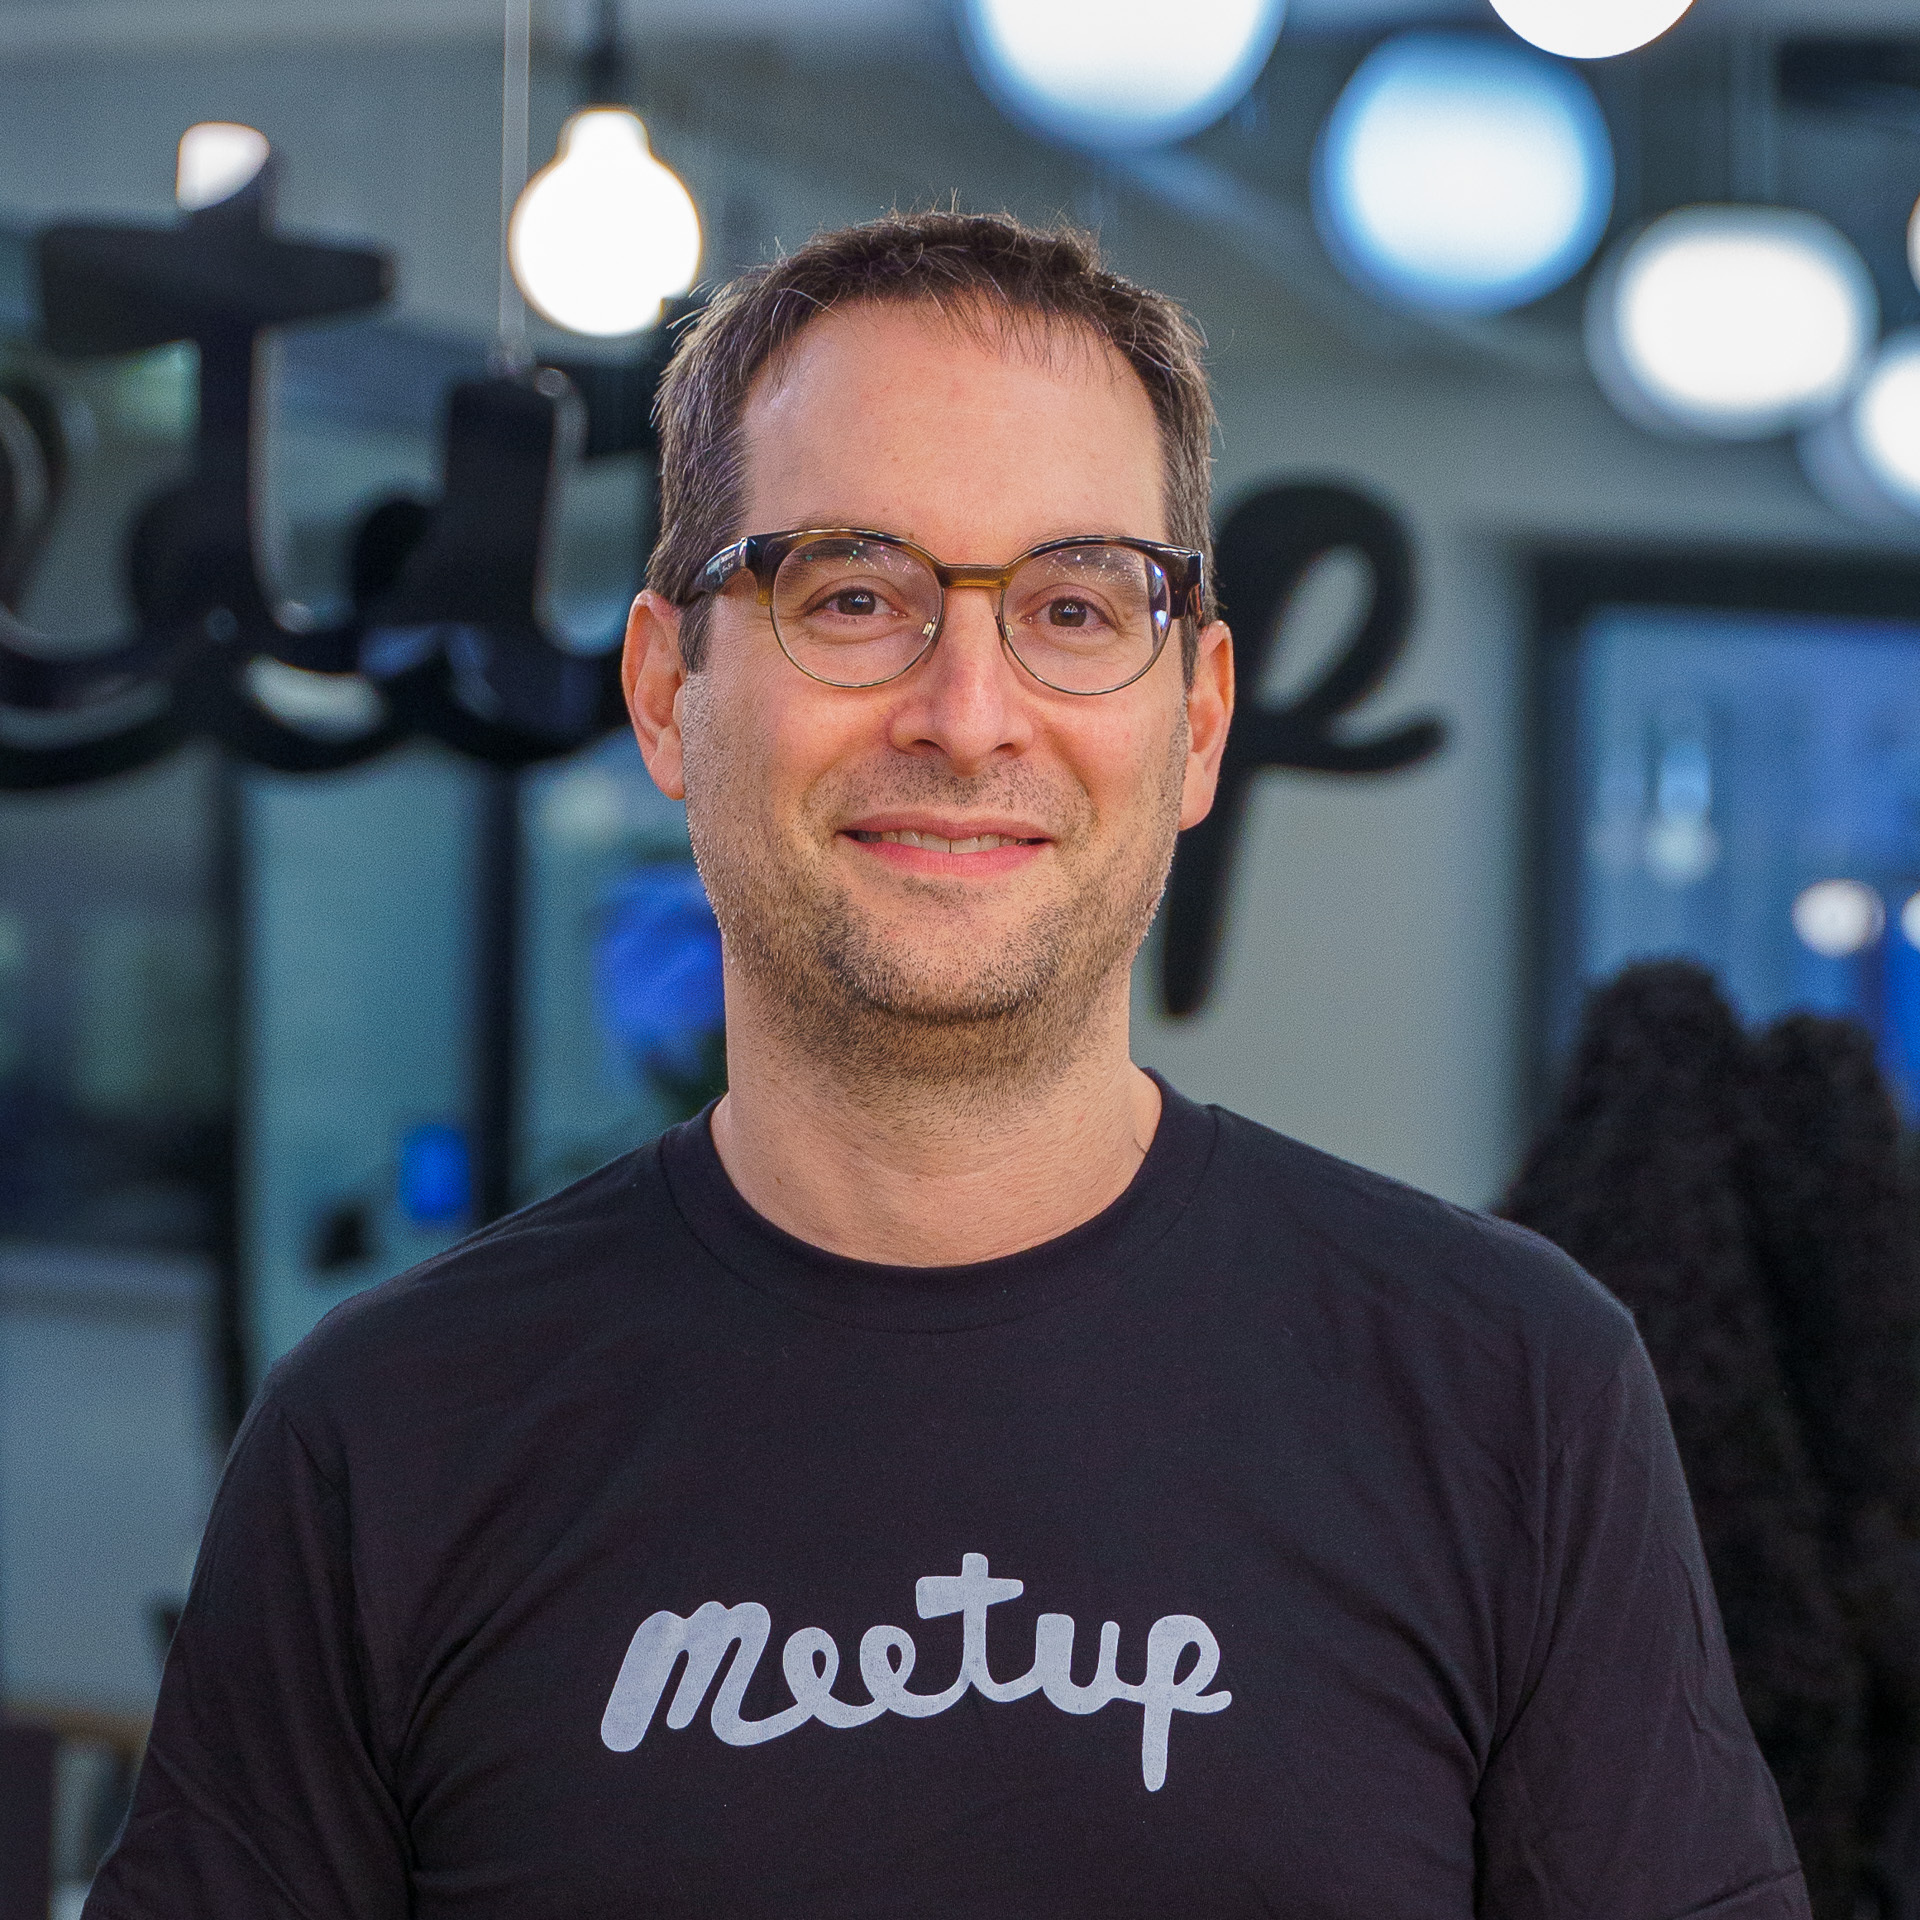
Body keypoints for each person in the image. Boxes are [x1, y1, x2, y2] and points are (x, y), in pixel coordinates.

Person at [87, 211, 1808, 1919]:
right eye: (853, 594)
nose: (968, 713)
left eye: (1074, 605)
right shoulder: (390, 1434)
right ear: (669, 690)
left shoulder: (1510, 1391)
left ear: (1198, 721)